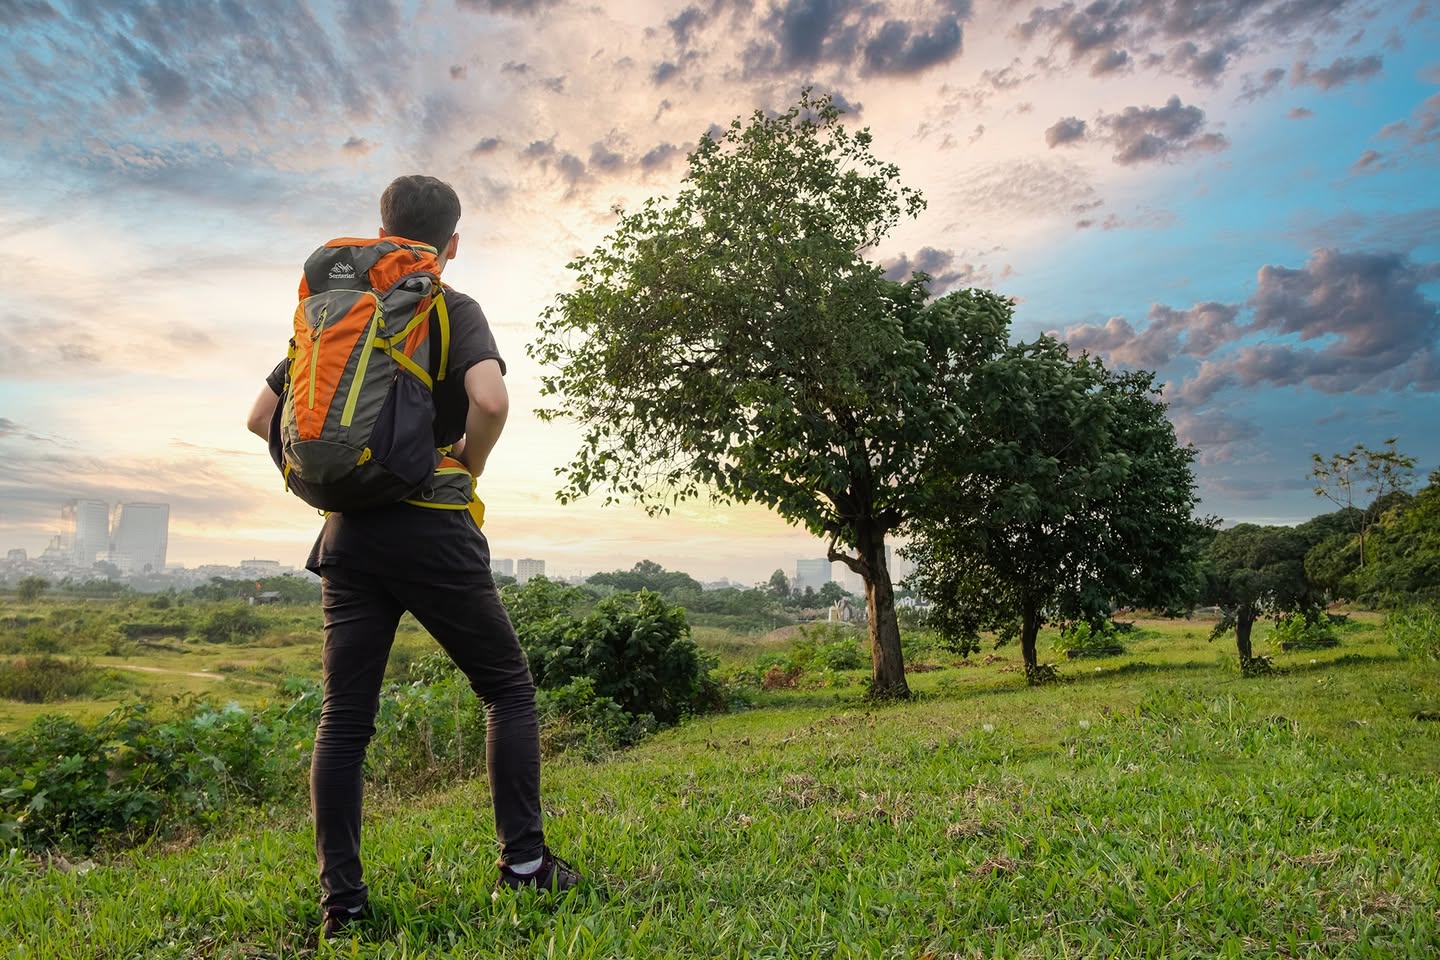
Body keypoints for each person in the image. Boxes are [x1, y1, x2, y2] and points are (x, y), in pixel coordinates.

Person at [246, 175, 578, 939]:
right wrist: (469, 461)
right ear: (451, 244)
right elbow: (491, 401)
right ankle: (524, 869)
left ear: (384, 229)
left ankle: (346, 908)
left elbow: (262, 415)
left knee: (343, 723)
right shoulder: (449, 305)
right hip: (431, 527)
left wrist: (332, 481)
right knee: (506, 689)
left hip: (349, 537)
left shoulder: (334, 314)